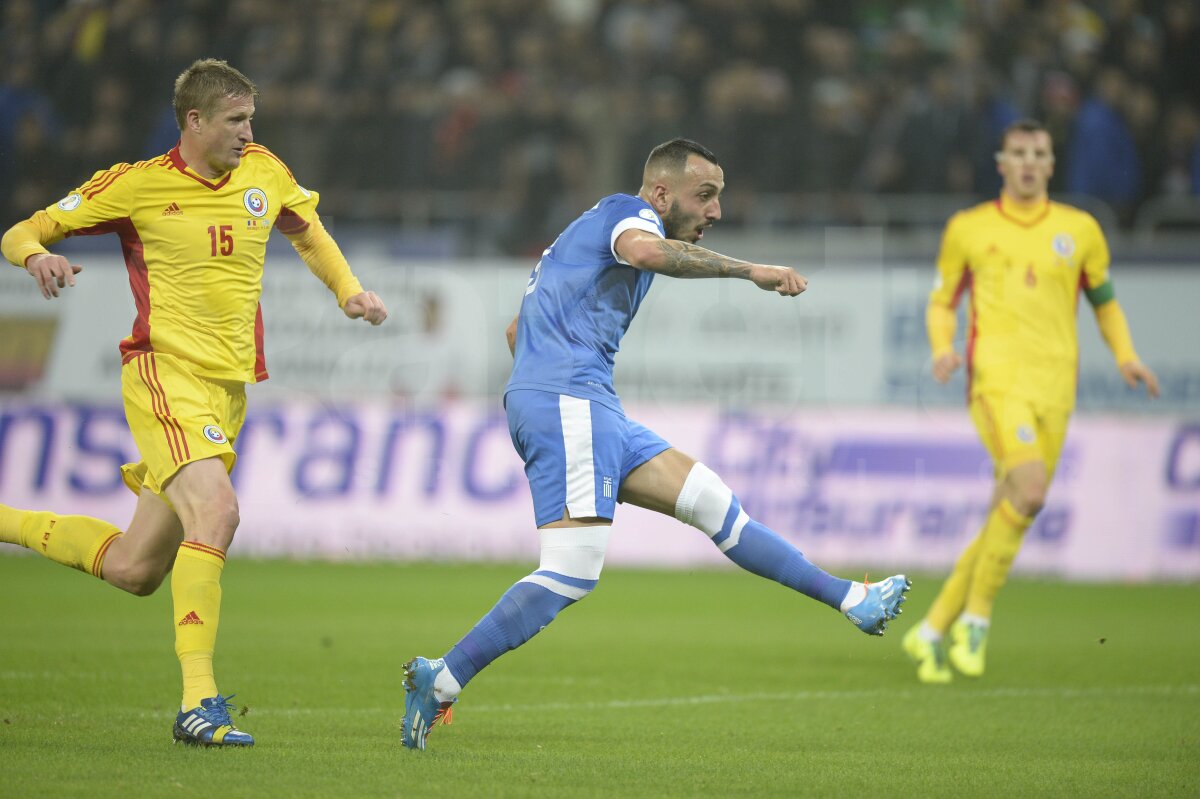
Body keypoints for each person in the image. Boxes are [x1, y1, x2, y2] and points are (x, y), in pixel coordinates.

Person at [399, 138, 910, 751]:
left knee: (712, 502)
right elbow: (647, 252)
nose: (716, 211)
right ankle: (443, 678)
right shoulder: (629, 216)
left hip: (585, 402)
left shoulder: (591, 227)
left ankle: (854, 598)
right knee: (570, 571)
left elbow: (517, 328)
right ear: (662, 193)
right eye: (706, 195)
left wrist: (544, 379)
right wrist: (752, 272)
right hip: (571, 400)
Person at [0, 59, 387, 746]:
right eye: (236, 120)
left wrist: (347, 290)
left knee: (135, 567)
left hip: (227, 389)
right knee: (218, 510)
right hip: (163, 373)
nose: (248, 132)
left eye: (251, 119)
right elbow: (22, 230)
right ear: (195, 121)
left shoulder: (264, 170)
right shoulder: (137, 185)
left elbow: (308, 230)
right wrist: (36, 258)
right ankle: (197, 703)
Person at [902, 119, 1159, 684]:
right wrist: (943, 348)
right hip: (996, 382)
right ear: (1001, 162)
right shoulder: (969, 228)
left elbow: (1105, 302)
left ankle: (931, 629)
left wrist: (1126, 356)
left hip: (1056, 388)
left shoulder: (1081, 229)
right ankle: (977, 617)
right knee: (1033, 489)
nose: (1027, 162)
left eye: (1037, 153)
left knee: (1012, 505)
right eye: (1017, 152)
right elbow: (943, 301)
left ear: (1050, 164)